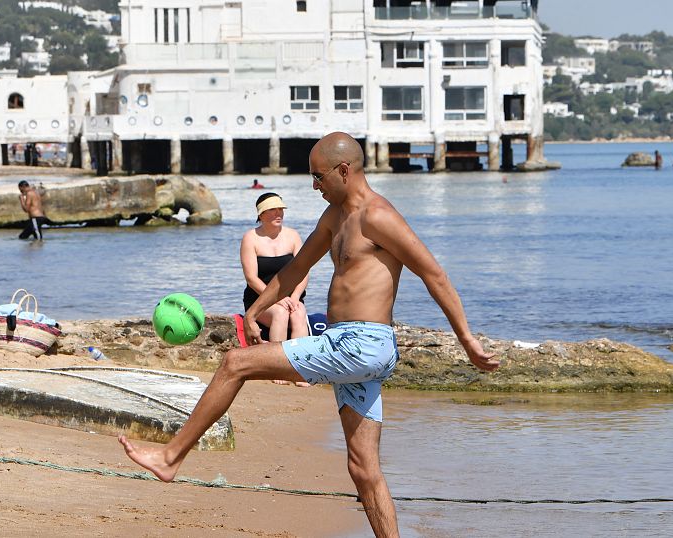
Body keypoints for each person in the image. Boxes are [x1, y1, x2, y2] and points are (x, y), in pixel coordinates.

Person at [119, 132, 499, 537]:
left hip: (361, 344)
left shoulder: (378, 216)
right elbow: (296, 270)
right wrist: (256, 309)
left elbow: (433, 273)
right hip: (350, 348)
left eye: (318, 176)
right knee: (363, 468)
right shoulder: (336, 217)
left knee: (235, 363)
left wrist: (467, 340)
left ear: (344, 170)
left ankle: (171, 458)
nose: (313, 185)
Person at [240, 192, 309, 343]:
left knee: (298, 314)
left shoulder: (293, 236)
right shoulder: (250, 238)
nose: (279, 213)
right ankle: (276, 360)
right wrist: (277, 299)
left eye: (281, 209)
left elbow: (303, 271)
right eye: (273, 210)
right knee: (280, 313)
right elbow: (251, 279)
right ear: (261, 214)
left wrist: (295, 297)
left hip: (291, 298)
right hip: (259, 299)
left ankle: (301, 361)